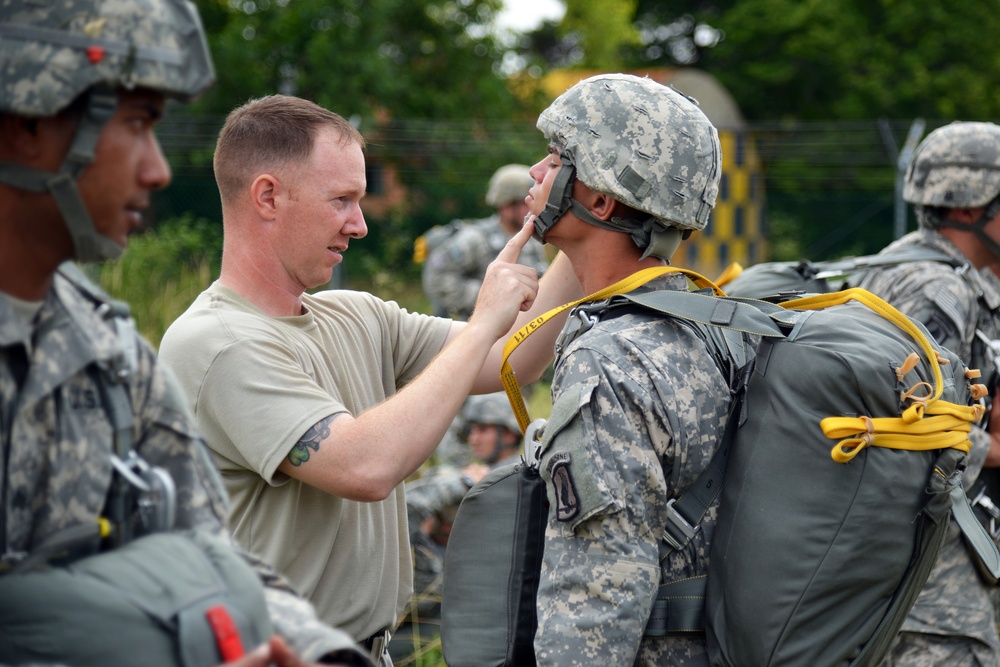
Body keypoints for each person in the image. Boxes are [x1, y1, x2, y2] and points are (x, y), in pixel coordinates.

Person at [0, 1, 368, 666]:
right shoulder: (190, 341)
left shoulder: (104, 349)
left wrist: (317, 652)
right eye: (137, 124)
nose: (158, 169)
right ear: (31, 121)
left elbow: (208, 543)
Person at [157, 94, 583, 665]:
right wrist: (484, 321)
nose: (358, 224)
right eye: (342, 200)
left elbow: (514, 356)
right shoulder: (215, 343)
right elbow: (364, 466)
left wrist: (581, 232)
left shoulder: (354, 315)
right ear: (267, 196)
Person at [523, 73, 731, 665]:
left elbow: (595, 596)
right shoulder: (714, 326)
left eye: (557, 158)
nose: (536, 173)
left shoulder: (608, 358)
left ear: (599, 199)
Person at [852, 122, 1000, 666]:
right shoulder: (936, 288)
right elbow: (912, 418)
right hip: (929, 580)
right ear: (968, 207)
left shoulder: (916, 265)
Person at [388, 391, 524, 661]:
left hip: (470, 612)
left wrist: (462, 485)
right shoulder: (470, 475)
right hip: (427, 604)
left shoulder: (521, 481)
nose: (474, 438)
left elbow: (406, 508)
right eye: (472, 430)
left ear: (508, 434)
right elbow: (400, 507)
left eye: (483, 429)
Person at [422, 163, 549, 319]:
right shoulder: (474, 239)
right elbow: (437, 278)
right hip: (481, 329)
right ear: (506, 205)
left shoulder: (532, 240)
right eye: (525, 201)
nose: (531, 205)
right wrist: (486, 297)